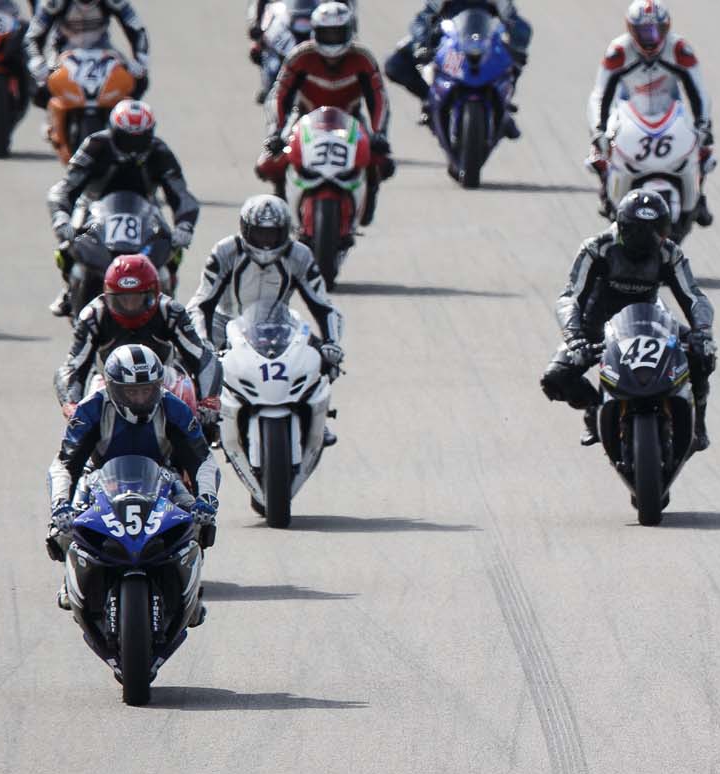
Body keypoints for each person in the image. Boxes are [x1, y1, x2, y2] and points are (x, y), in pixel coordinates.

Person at [46, 345, 219, 615]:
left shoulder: (174, 407)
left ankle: (190, 594)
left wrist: (206, 499)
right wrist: (60, 505)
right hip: (98, 479)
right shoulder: (91, 408)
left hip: (162, 477)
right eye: (131, 391)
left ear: (158, 386)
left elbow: (204, 459)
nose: (140, 398)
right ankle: (71, 582)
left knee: (197, 521)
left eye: (146, 390)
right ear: (114, 388)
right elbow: (64, 464)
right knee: (63, 528)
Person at [543, 189, 716, 450]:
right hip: (596, 325)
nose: (646, 238)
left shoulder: (670, 253)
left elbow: (694, 297)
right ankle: (593, 409)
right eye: (636, 230)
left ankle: (698, 423)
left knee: (703, 356)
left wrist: (702, 331)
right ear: (621, 227)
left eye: (655, 230)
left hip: (651, 321)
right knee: (555, 377)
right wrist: (574, 337)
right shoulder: (597, 248)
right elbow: (569, 297)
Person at [185, 195, 344, 447]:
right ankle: (208, 419)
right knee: (195, 364)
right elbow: (201, 302)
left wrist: (332, 343)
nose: (266, 242)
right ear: (245, 229)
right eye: (260, 234)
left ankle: (316, 418)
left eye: (272, 234)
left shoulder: (299, 254)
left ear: (285, 232)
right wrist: (204, 343)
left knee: (322, 359)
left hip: (278, 324)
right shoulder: (225, 251)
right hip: (225, 324)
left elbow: (323, 305)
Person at [44, 98, 197, 318]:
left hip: (145, 211)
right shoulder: (95, 145)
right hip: (93, 210)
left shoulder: (159, 151)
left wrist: (184, 226)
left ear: (150, 134)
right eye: (126, 139)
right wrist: (61, 218)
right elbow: (64, 188)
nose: (133, 147)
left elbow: (182, 195)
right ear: (113, 131)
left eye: (140, 139)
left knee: (172, 248)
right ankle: (70, 290)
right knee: (68, 246)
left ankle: (168, 298)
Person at [258, 1, 393, 222]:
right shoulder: (300, 56)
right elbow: (278, 95)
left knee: (381, 162)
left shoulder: (363, 58)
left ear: (350, 32)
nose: (333, 40)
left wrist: (379, 134)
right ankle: (281, 200)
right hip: (303, 119)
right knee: (267, 163)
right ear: (314, 31)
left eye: (338, 33)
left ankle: (367, 202)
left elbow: (379, 98)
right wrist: (275, 132)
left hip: (351, 120)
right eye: (327, 33)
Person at [55, 253, 221, 426]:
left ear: (154, 293)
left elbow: (203, 358)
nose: (130, 305)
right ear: (108, 294)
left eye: (138, 298)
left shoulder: (170, 311)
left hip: (163, 385)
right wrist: (71, 404)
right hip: (109, 385)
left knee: (193, 408)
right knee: (79, 432)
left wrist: (208, 402)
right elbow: (73, 366)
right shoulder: (93, 315)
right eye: (122, 299)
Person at [586, 1, 713, 225]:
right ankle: (607, 191)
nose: (650, 38)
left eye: (656, 30)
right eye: (643, 31)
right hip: (628, 112)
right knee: (599, 152)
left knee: (703, 150)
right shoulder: (618, 51)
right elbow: (599, 94)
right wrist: (599, 130)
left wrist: (703, 125)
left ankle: (698, 196)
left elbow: (699, 91)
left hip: (670, 112)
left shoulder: (679, 49)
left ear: (666, 28)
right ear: (631, 29)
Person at [384, 0, 529, 136]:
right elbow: (422, 20)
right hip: (453, 49)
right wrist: (422, 44)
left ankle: (503, 109)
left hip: (486, 50)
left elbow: (518, 26)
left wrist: (517, 49)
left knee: (512, 63)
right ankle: (431, 100)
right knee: (395, 65)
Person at [25, 0, 149, 105]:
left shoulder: (115, 1)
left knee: (139, 81)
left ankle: (118, 116)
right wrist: (36, 60)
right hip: (62, 54)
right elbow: (32, 36)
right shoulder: (54, 2)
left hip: (103, 51)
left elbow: (137, 29)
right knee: (39, 87)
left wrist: (140, 60)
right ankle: (52, 124)